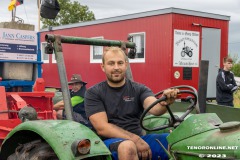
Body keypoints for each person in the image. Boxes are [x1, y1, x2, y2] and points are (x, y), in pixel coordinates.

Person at [85, 47, 179, 160]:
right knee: (128, 147)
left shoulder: (139, 89)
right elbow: (102, 128)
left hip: (139, 138)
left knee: (176, 140)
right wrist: (135, 139)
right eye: (111, 63)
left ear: (126, 65)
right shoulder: (94, 93)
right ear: (103, 67)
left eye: (120, 63)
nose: (116, 67)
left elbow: (155, 109)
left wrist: (166, 101)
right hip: (110, 142)